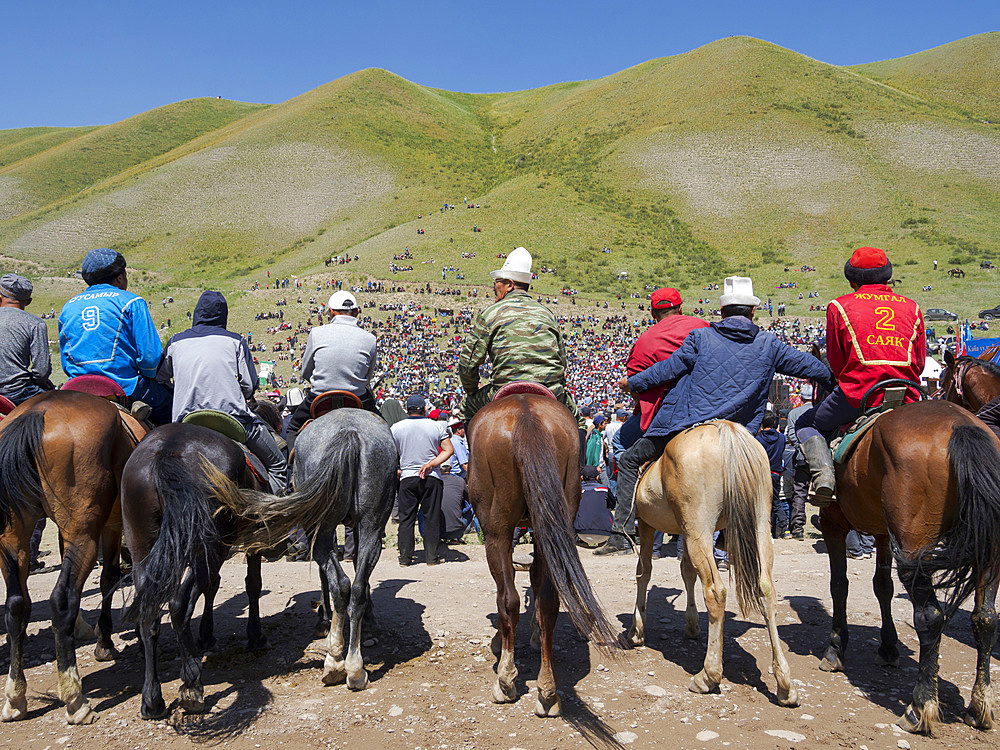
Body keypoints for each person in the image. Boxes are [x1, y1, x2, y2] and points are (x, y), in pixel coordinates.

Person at [600, 276, 835, 555]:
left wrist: (632, 384)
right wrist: (834, 378)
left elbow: (666, 370)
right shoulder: (770, 344)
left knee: (629, 460)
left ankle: (622, 535)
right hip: (742, 432)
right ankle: (728, 533)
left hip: (688, 424)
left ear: (722, 312)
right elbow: (812, 367)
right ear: (753, 312)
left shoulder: (701, 337)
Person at [796, 248, 925, 504]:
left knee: (805, 423)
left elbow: (836, 361)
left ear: (852, 280)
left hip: (858, 395)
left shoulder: (839, 306)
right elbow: (919, 362)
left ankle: (824, 478)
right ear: (887, 277)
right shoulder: (913, 307)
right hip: (907, 394)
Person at [595, 287, 708, 554]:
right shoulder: (704, 327)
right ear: (681, 307)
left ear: (652, 312)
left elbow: (635, 386)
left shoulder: (646, 340)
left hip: (664, 418)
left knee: (624, 450)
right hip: (708, 412)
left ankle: (623, 531)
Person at [157, 291, 288, 495]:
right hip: (233, 420)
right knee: (278, 466)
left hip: (185, 420)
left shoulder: (175, 341)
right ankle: (273, 509)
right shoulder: (235, 341)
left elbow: (161, 377)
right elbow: (249, 386)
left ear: (197, 314)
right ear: (223, 316)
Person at [457, 247, 581, 425]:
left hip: (504, 388)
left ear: (509, 284)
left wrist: (471, 391)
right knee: (579, 423)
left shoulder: (490, 313)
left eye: (497, 281)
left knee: (466, 408)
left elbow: (467, 363)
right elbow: (562, 361)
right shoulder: (548, 314)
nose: (494, 286)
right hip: (550, 389)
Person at [58, 248, 171, 423]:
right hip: (124, 386)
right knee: (173, 413)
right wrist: (148, 375)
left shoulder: (68, 308)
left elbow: (66, 361)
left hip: (77, 387)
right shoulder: (132, 302)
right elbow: (150, 358)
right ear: (120, 277)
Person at [286, 290, 378, 448]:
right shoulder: (369, 338)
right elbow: (367, 377)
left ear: (331, 312)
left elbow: (306, 372)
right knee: (384, 431)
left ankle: (292, 469)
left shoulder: (316, 333)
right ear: (356, 312)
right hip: (357, 399)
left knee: (293, 428)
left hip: (320, 398)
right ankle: (395, 469)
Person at [391, 394, 454, 566]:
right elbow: (448, 450)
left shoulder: (396, 428)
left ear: (406, 409)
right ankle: (431, 558)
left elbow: (390, 453)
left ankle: (405, 558)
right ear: (425, 409)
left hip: (407, 477)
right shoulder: (435, 426)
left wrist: (397, 468)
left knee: (406, 519)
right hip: (431, 476)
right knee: (431, 518)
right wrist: (431, 464)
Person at [0, 274, 54, 405]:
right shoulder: (35, 323)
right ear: (29, 301)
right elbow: (41, 371)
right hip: (17, 393)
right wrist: (38, 381)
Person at [783, 383, 813, 539]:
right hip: (820, 459)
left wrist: (802, 448)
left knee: (799, 493)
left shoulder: (794, 413)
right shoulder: (819, 409)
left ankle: (798, 529)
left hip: (801, 458)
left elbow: (792, 436)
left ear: (800, 397)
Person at [755, 412, 788, 538]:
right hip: (775, 474)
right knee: (776, 501)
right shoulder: (781, 438)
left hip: (762, 475)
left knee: (762, 502)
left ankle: (765, 530)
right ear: (774, 422)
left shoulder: (758, 440)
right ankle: (785, 529)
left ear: (761, 423)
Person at [575, 466, 614, 544]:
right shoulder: (604, 489)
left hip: (581, 533)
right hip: (605, 533)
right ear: (597, 477)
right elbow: (613, 505)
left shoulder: (577, 491)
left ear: (582, 477)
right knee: (608, 511)